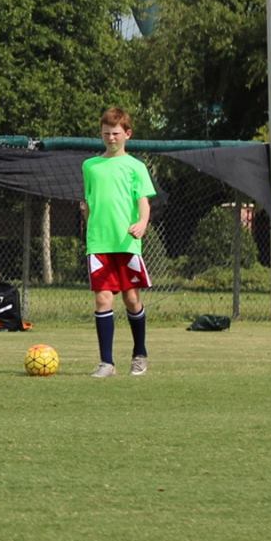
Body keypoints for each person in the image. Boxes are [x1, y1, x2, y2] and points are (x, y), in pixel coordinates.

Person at [82, 106, 156, 377]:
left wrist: (142, 223)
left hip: (126, 243)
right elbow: (89, 202)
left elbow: (143, 201)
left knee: (131, 299)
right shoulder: (90, 166)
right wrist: (88, 221)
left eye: (115, 133)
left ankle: (139, 354)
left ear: (127, 134)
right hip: (98, 244)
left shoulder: (136, 166)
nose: (110, 138)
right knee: (103, 300)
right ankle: (107, 363)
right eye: (105, 133)